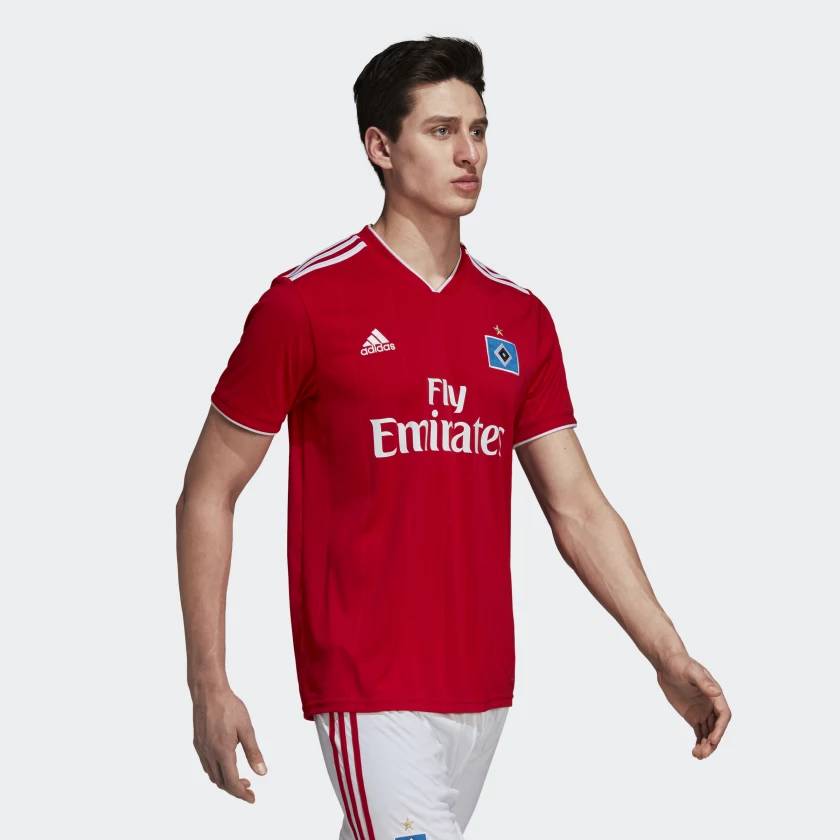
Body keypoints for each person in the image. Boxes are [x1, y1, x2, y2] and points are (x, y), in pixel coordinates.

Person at [176, 34, 731, 839]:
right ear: (381, 147)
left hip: (483, 691)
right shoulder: (304, 304)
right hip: (369, 686)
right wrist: (208, 681)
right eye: (441, 131)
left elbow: (576, 506)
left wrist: (666, 653)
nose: (469, 153)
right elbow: (208, 491)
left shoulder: (520, 317)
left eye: (478, 130)